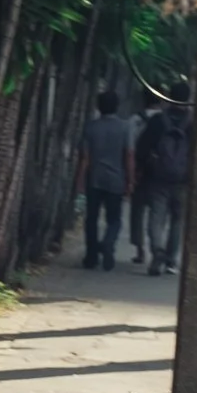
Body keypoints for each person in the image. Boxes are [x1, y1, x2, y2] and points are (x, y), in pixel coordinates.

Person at [138, 86, 193, 276]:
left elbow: (142, 148)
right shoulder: (193, 124)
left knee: (156, 217)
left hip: (158, 177)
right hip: (183, 180)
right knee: (177, 220)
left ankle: (157, 251)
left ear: (169, 97)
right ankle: (171, 260)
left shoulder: (158, 121)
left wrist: (145, 168)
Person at [79, 90, 135, 270]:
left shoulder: (90, 127)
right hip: (116, 179)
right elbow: (129, 155)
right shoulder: (125, 127)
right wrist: (130, 180)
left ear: (99, 106)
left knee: (91, 219)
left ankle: (91, 256)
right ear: (116, 106)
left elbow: (85, 158)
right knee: (114, 219)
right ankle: (108, 243)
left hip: (94, 179)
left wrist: (80, 181)